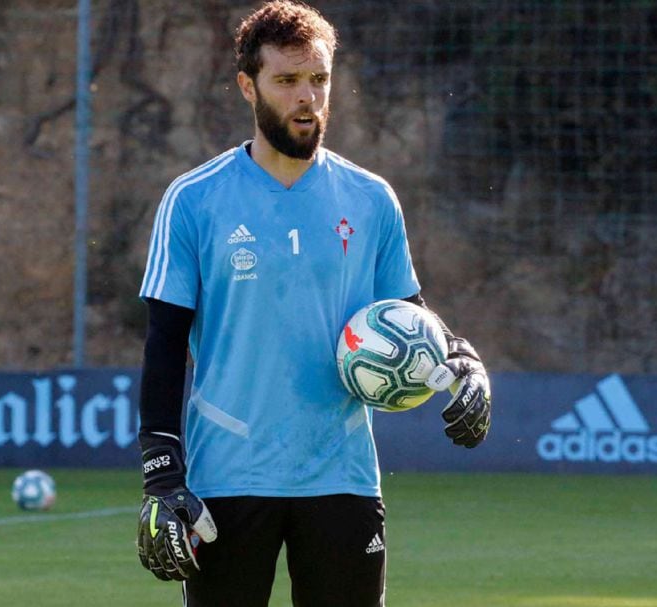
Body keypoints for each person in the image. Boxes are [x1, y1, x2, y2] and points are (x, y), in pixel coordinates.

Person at [134, 1, 491, 605]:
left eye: (319, 79)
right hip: (227, 478)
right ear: (249, 86)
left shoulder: (371, 198)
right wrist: (161, 472)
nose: (307, 97)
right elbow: (165, 342)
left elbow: (409, 313)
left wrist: (461, 358)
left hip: (342, 475)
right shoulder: (193, 199)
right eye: (287, 80)